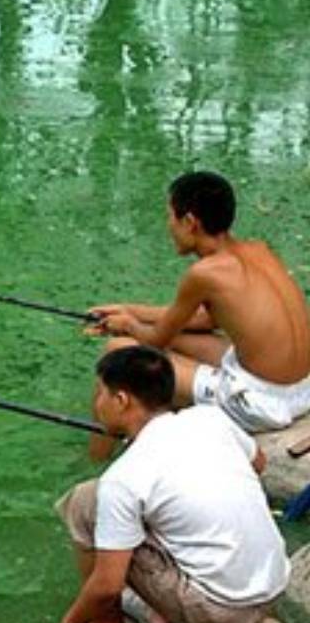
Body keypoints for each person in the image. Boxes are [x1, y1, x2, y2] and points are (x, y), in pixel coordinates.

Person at [42, 345, 288, 623]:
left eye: (101, 393)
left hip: (221, 611)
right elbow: (258, 462)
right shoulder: (210, 418)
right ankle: (160, 614)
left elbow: (107, 586)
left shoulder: (125, 477)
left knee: (84, 502)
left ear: (121, 400)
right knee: (156, 511)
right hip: (272, 586)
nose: (97, 404)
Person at [88, 170, 310, 459]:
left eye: (170, 216)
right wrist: (130, 311)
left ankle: (96, 464)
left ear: (190, 222)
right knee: (181, 339)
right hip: (302, 389)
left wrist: (128, 325)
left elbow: (155, 340)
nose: (168, 225)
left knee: (118, 352)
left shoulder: (204, 274)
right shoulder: (258, 250)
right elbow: (208, 320)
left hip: (260, 403)